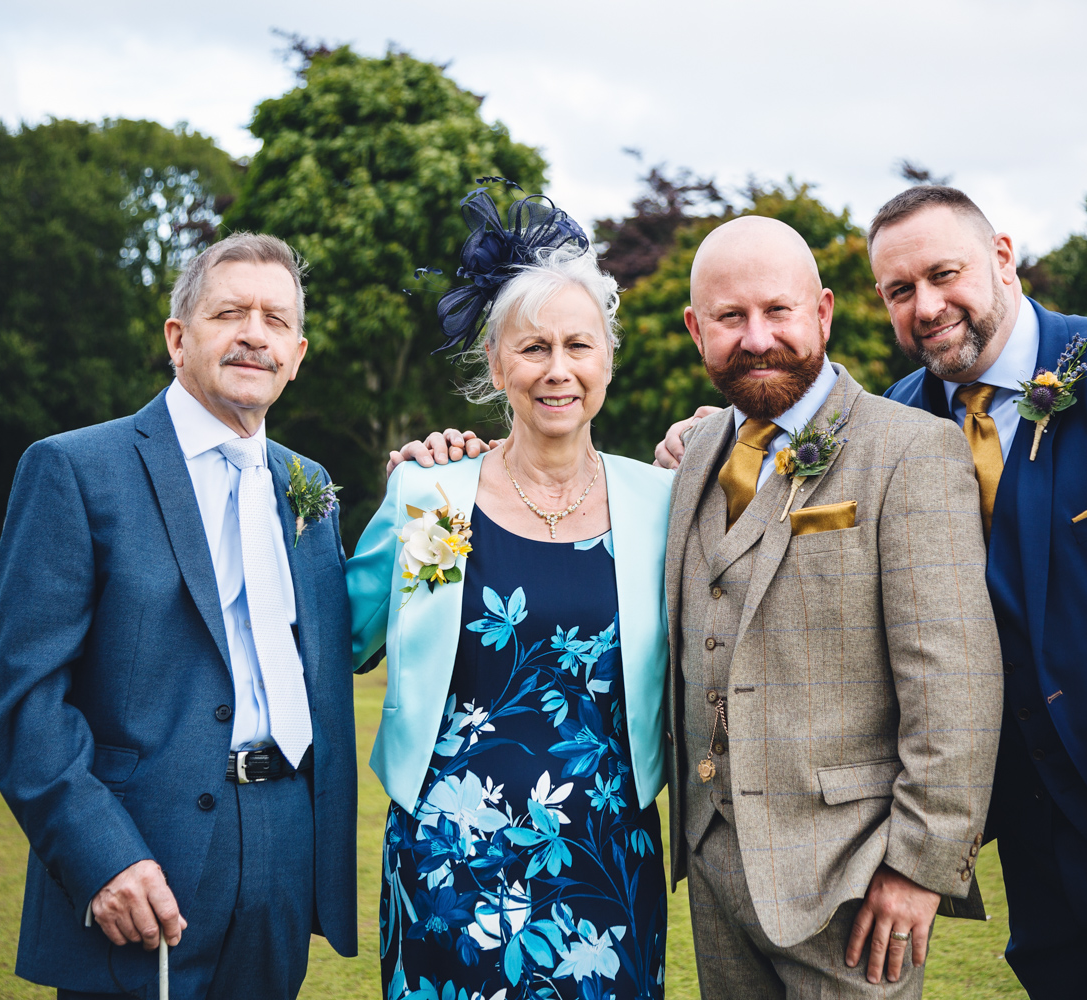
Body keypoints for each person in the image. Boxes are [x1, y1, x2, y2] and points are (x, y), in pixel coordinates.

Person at [659, 187, 1087, 999]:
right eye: (901, 292)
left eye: (945, 274)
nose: (928, 306)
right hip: (1046, 842)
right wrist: (722, 438)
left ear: (1003, 259)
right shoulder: (902, 422)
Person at [391, 213, 1003, 999]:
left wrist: (918, 869)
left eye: (776, 311)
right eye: (729, 318)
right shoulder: (690, 464)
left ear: (821, 311)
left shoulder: (912, 451)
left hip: (852, 883)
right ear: (695, 329)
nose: (755, 338)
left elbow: (955, 682)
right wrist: (438, 473)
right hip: (712, 877)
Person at [0, 233, 358, 999]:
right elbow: (28, 703)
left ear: (297, 352)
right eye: (230, 312)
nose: (255, 332)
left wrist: (441, 485)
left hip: (287, 842)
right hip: (143, 852)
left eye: (275, 320)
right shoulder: (75, 470)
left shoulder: (308, 485)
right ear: (178, 337)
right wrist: (101, 855)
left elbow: (353, 638)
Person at [345, 189, 674, 1000]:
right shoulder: (436, 504)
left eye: (578, 346)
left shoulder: (662, 506)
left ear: (607, 359)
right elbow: (346, 638)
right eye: (532, 349)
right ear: (496, 366)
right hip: (448, 862)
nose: (557, 370)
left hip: (604, 860)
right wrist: (405, 493)